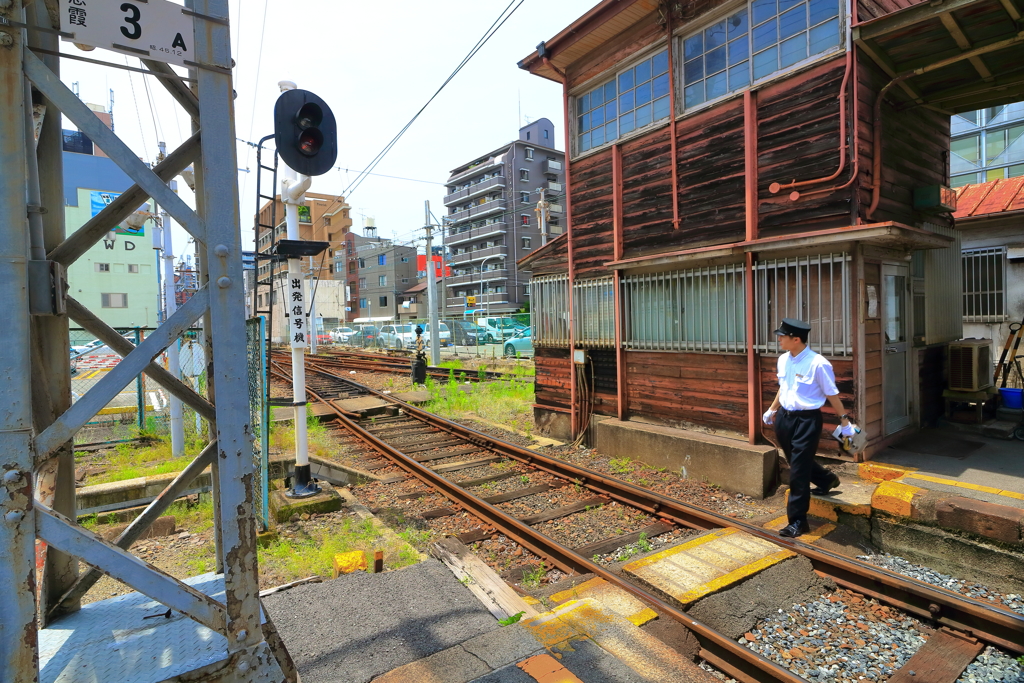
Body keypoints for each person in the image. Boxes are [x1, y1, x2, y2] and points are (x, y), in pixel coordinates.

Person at [763, 318, 852, 538]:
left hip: (807, 420)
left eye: (783, 336)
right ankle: (826, 479)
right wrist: (772, 409)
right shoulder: (784, 360)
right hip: (785, 417)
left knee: (798, 472)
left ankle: (798, 522)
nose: (779, 339)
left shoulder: (818, 363)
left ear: (796, 339)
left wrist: (844, 420)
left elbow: (832, 393)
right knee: (795, 460)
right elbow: (783, 388)